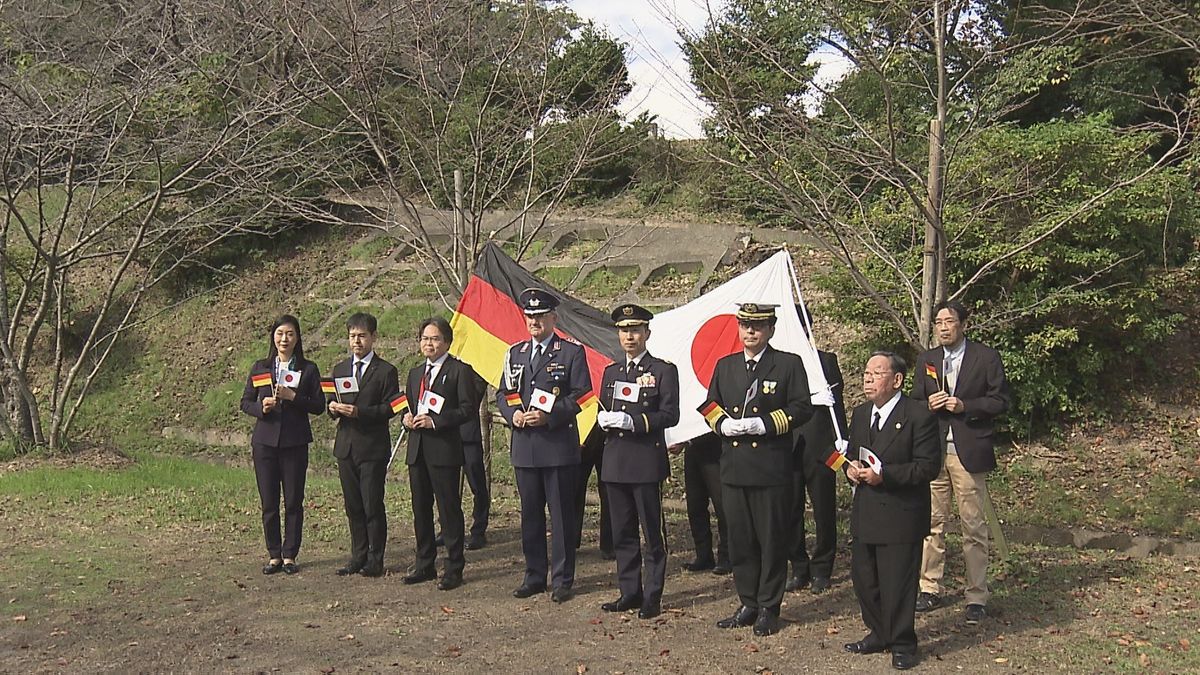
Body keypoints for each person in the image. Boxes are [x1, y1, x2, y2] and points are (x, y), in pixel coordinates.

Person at [703, 302, 813, 637]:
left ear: (771, 330)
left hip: (769, 467)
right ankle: (747, 601)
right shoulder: (726, 366)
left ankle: (769, 605)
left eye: (758, 326)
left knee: (770, 539)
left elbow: (802, 408)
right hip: (734, 468)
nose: (751, 332)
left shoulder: (787, 364)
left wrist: (764, 424)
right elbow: (709, 405)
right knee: (741, 541)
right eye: (746, 326)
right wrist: (723, 425)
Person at [912, 300, 1010, 625]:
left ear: (962, 324)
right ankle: (930, 587)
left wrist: (964, 405)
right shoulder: (927, 359)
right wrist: (929, 404)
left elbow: (999, 400)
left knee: (973, 526)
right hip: (933, 452)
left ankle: (976, 595)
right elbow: (912, 402)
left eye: (949, 321)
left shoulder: (985, 357)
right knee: (931, 524)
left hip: (968, 450)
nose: (942, 327)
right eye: (938, 322)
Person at [843, 351, 941, 671]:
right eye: (866, 373)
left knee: (897, 581)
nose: (868, 379)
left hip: (901, 511)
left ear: (896, 380)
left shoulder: (918, 414)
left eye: (876, 373)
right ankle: (879, 632)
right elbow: (854, 454)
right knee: (864, 578)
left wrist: (886, 475)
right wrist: (850, 469)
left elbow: (927, 467)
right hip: (866, 510)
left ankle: (902, 641)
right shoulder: (859, 414)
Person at [496, 288, 592, 603]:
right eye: (530, 317)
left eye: (540, 316)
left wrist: (548, 415)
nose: (535, 322)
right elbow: (504, 393)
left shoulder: (570, 353)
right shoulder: (515, 353)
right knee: (530, 516)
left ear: (553, 318)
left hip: (557, 445)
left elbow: (582, 395)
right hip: (525, 446)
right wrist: (514, 415)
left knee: (562, 517)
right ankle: (534, 576)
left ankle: (563, 579)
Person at [595, 303, 680, 620]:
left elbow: (671, 414)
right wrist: (604, 419)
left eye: (634, 330)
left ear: (646, 333)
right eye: (623, 331)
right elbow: (604, 407)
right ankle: (629, 591)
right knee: (623, 533)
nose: (629, 336)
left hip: (645, 460)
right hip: (615, 461)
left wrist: (636, 422)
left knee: (652, 533)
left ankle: (652, 594)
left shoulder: (662, 370)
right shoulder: (611, 372)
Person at [400, 317, 482, 591]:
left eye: (434, 339)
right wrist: (406, 419)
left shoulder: (459, 371)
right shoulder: (415, 374)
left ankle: (454, 566)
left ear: (446, 342)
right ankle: (424, 563)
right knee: (420, 509)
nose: (429, 343)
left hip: (444, 451)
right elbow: (408, 406)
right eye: (425, 338)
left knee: (448, 510)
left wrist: (437, 421)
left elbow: (467, 409)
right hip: (417, 450)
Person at [240, 314, 325, 576]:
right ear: (273, 337)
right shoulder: (261, 367)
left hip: (294, 442)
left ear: (297, 337)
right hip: (265, 443)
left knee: (293, 500)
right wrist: (261, 408)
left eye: (289, 333)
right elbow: (245, 402)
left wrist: (294, 397)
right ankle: (273, 554)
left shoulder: (308, 369)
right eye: (279, 334)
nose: (284, 339)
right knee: (268, 501)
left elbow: (319, 406)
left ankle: (290, 554)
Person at [326, 312, 400, 578]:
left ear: (373, 338)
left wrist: (360, 412)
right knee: (353, 505)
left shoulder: (386, 371)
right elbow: (332, 403)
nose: (356, 341)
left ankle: (375, 558)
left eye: (362, 336)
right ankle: (357, 555)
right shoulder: (341, 369)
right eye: (352, 336)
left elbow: (390, 408)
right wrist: (333, 408)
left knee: (372, 503)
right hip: (346, 446)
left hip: (372, 447)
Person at [787, 307, 848, 594]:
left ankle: (823, 567)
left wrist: (842, 440)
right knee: (790, 510)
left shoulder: (826, 361)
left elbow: (838, 406)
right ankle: (798, 567)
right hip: (787, 447)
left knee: (824, 510)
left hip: (822, 447)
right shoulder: (780, 363)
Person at [670, 432, 731, 575]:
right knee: (695, 505)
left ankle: (727, 556)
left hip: (714, 446)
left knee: (722, 505)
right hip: (692, 447)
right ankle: (703, 555)